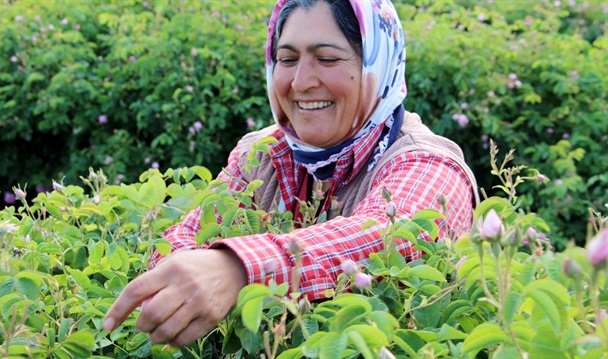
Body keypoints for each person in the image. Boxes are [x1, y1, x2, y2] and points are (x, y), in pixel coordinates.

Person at [103, 0, 479, 348]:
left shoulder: (429, 163)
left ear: (375, 66)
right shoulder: (265, 152)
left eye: (327, 59)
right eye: (287, 58)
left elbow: (391, 236)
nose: (300, 82)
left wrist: (237, 268)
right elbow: (185, 238)